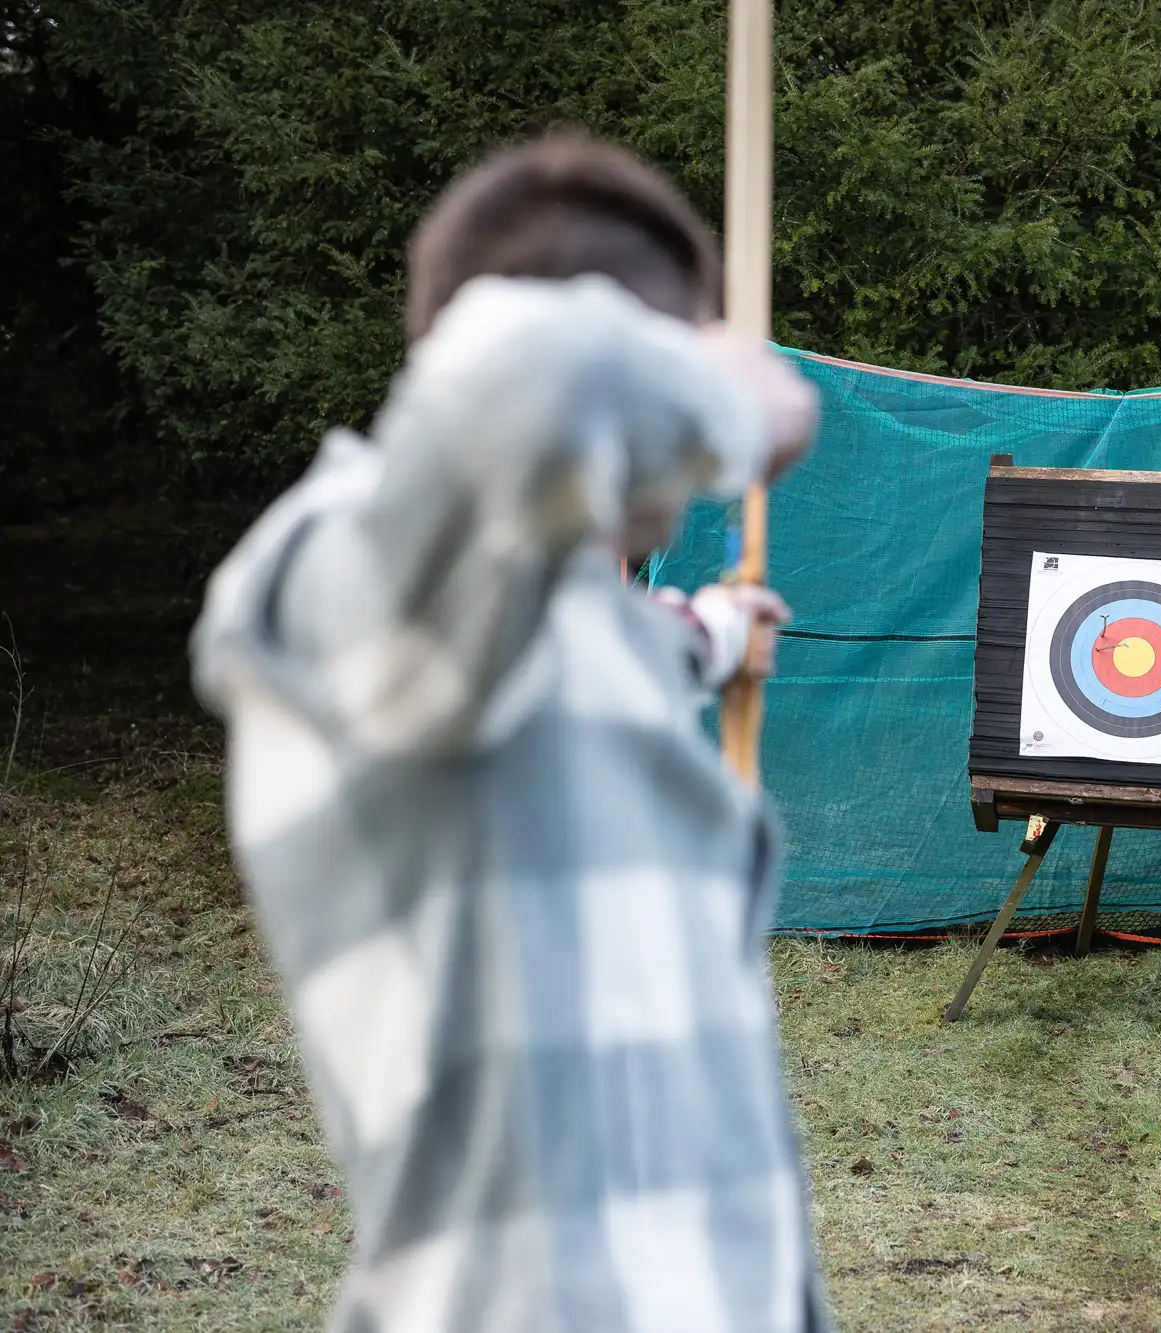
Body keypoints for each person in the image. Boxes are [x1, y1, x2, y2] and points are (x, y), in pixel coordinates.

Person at [191, 133, 829, 1332]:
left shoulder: (571, 627)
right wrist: (733, 405)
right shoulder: (335, 589)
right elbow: (526, 375)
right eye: (679, 352)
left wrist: (715, 629)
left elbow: (616, 644)